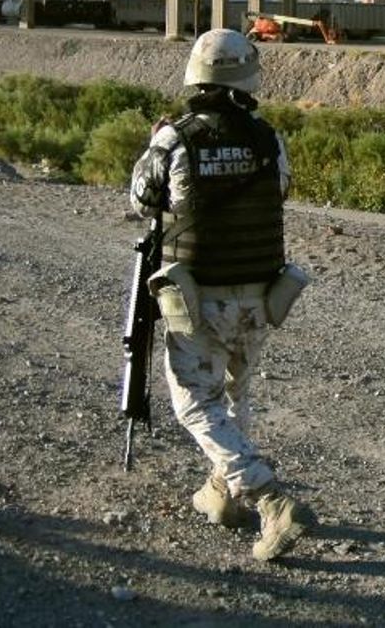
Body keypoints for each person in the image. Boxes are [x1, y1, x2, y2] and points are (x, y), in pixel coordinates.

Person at [128, 28, 313, 562]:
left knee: (194, 402)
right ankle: (223, 495)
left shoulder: (174, 139)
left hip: (200, 295)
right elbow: (281, 190)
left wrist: (155, 144)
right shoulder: (268, 138)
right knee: (236, 395)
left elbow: (142, 201)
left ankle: (270, 499)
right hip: (260, 294)